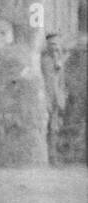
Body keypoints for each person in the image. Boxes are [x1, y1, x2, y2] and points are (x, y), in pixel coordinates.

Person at [41, 33, 69, 165]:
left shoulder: (59, 62)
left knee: (55, 128)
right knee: (45, 128)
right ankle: (47, 157)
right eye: (52, 45)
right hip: (45, 98)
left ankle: (54, 157)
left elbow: (61, 82)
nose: (55, 48)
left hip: (56, 99)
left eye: (57, 45)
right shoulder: (44, 60)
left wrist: (61, 98)